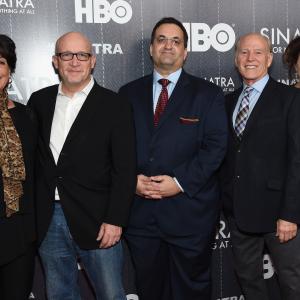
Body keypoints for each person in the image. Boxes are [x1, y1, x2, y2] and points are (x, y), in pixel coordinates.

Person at [119, 17, 227, 300]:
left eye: (176, 41)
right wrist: (131, 181)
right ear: (152, 49)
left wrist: (179, 183)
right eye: (161, 40)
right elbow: (117, 149)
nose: (168, 45)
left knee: (191, 290)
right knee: (149, 289)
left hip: (190, 215)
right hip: (141, 217)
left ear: (185, 52)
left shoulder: (209, 94)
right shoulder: (127, 94)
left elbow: (216, 148)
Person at [28, 32, 136, 300]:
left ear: (93, 61)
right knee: (59, 293)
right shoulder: (39, 101)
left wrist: (115, 219)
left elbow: (125, 168)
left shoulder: (116, 104)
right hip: (49, 219)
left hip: (99, 219)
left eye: (82, 55)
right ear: (55, 61)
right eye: (66, 55)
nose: (74, 61)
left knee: (111, 294)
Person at [221, 32, 300, 300]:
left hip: (280, 215)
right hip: (239, 213)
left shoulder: (291, 98)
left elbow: (297, 159)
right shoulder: (227, 101)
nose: (250, 58)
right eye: (244, 52)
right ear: (236, 59)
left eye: (257, 52)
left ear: (269, 59)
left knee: (292, 282)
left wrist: (290, 214)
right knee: (249, 282)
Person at [0, 34, 37, 300]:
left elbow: (39, 174)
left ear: (10, 70)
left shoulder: (28, 116)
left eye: (0, 62)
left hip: (18, 233)